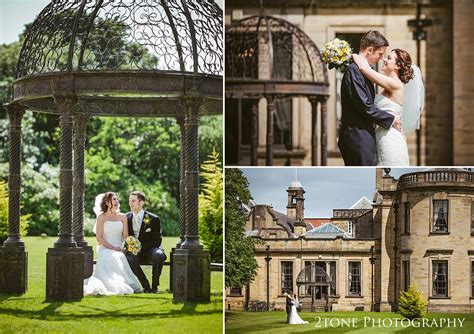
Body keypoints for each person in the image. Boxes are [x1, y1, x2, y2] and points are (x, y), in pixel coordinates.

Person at [338, 30, 402, 166]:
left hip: (365, 136)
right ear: (370, 50)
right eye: (380, 54)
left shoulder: (363, 70)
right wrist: (391, 119)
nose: (381, 58)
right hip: (358, 137)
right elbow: (365, 107)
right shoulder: (354, 71)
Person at [352, 48, 419, 166]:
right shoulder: (387, 85)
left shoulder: (395, 84)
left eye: (388, 58)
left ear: (397, 66)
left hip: (390, 139)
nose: (383, 59)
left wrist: (353, 55)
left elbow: (363, 68)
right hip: (382, 137)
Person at [84, 192, 141, 295]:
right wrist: (112, 247)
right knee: (112, 256)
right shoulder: (102, 217)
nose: (117, 201)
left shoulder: (123, 217)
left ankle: (124, 283)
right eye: (114, 199)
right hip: (105, 247)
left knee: (119, 255)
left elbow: (125, 236)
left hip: (119, 247)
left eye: (117, 199)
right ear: (106, 202)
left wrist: (126, 246)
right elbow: (99, 238)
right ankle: (112, 284)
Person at [125, 191, 167, 293]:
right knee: (129, 257)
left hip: (149, 250)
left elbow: (157, 241)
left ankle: (155, 286)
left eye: (133, 201)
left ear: (141, 203)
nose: (130, 203)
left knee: (159, 254)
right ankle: (146, 285)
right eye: (130, 200)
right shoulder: (125, 217)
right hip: (133, 252)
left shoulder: (153, 218)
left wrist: (139, 247)